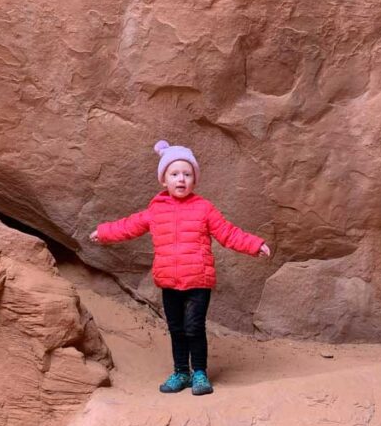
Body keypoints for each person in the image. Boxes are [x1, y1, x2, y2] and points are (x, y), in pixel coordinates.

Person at [89, 140, 271, 396]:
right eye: (174, 174)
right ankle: (180, 372)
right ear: (164, 180)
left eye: (187, 174)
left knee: (193, 328)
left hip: (198, 281)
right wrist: (104, 232)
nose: (181, 179)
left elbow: (228, 233)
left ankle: (199, 373)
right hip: (169, 281)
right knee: (176, 329)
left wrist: (255, 244)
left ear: (194, 180)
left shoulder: (203, 208)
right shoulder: (156, 209)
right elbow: (129, 225)